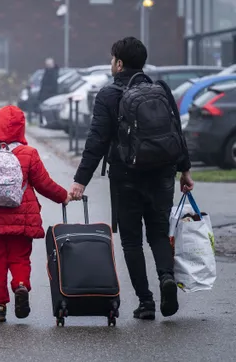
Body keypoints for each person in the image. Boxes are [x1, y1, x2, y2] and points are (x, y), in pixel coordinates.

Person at [69, 37, 194, 320]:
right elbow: (176, 132)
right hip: (163, 173)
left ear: (119, 63)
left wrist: (80, 180)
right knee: (159, 234)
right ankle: (166, 278)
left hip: (126, 176)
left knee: (132, 241)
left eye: (112, 59)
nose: (111, 63)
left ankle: (146, 302)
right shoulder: (161, 89)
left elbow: (96, 141)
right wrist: (185, 169)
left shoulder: (109, 95)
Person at [0, 105, 69, 322]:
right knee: (20, 258)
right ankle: (21, 286)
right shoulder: (28, 153)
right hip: (22, 219)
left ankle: (0, 306)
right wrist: (63, 196)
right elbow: (44, 184)